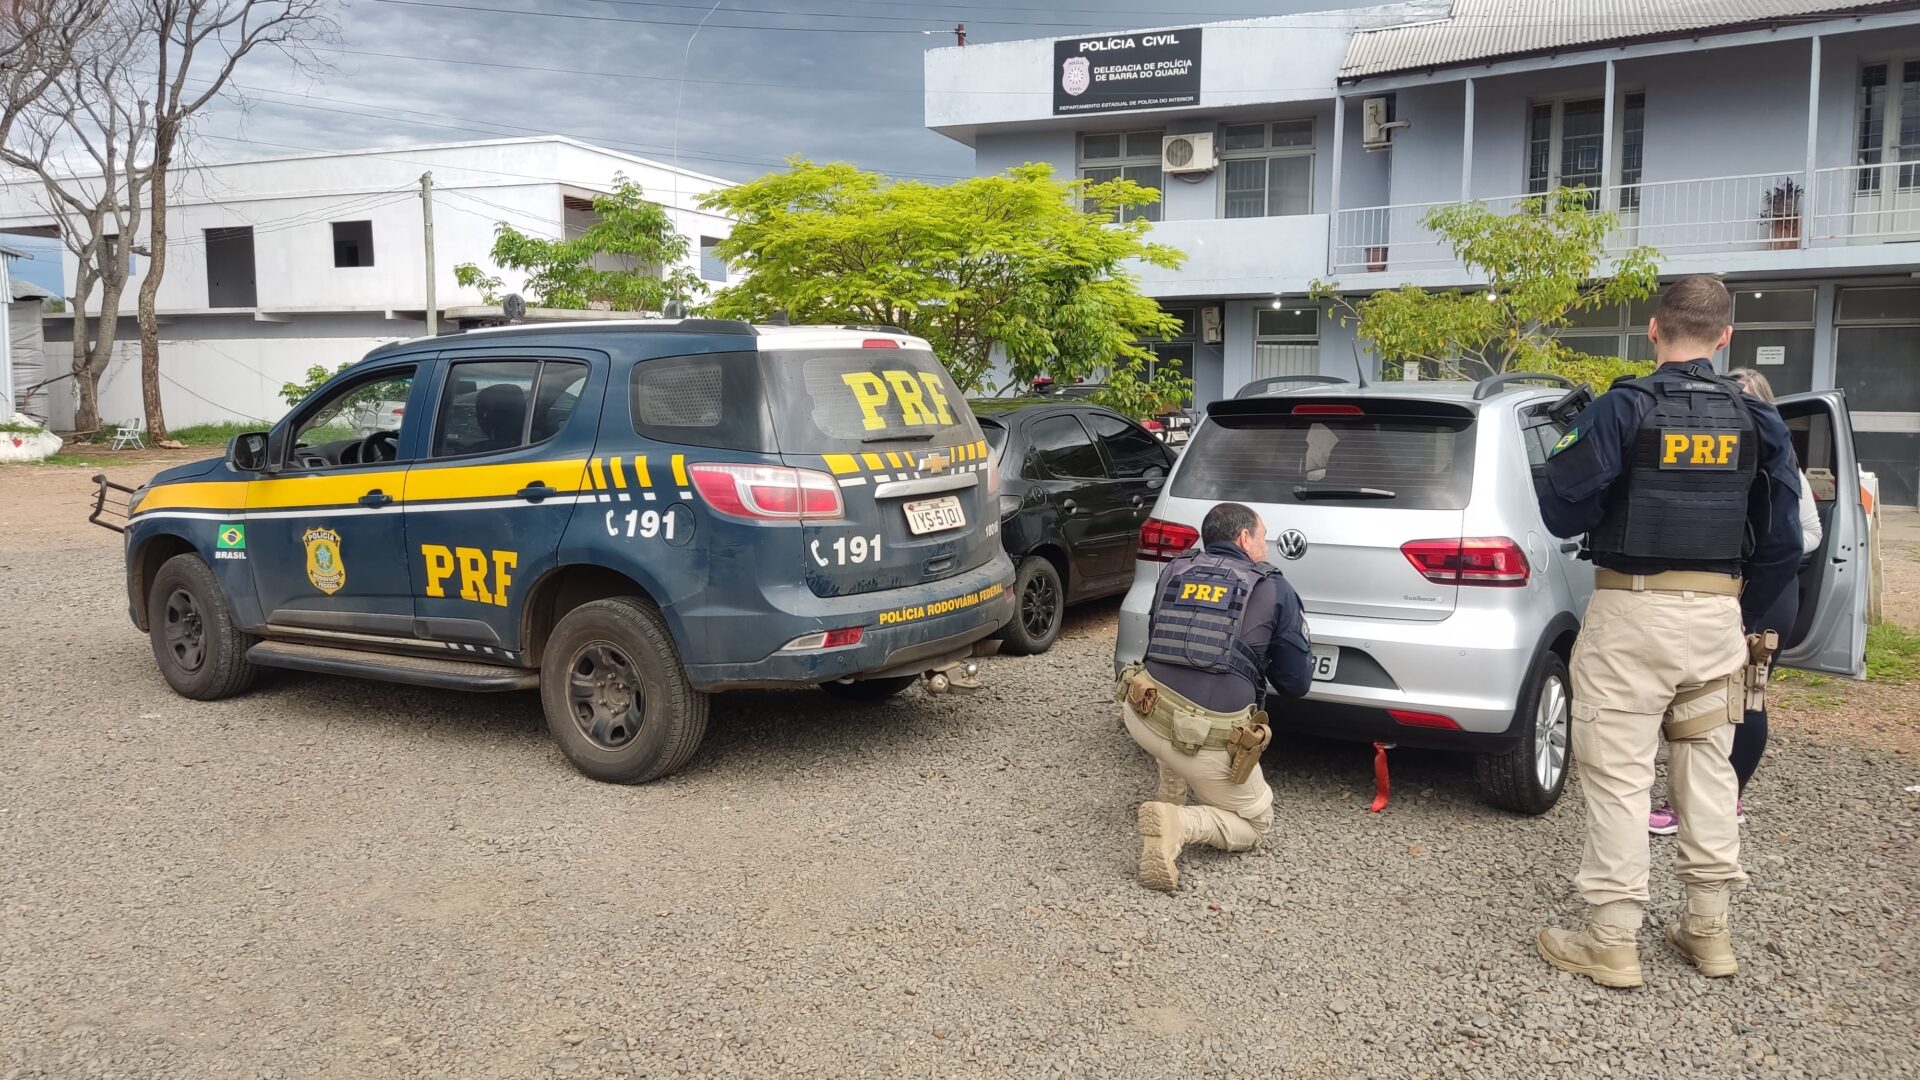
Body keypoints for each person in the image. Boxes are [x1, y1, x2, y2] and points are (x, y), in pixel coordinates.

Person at [1534, 275, 1802, 987]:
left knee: (1620, 775)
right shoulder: (1757, 419)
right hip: (1719, 616)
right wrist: (1744, 614)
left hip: (1631, 613)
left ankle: (1613, 940)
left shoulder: (1625, 407)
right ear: (1725, 337)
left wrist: (1567, 441)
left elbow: (1561, 513)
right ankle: (1708, 933)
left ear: (1652, 331)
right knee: (1707, 771)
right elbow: (1783, 539)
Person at [1648, 367, 1822, 836]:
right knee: (1700, 698)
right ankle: (1690, 796)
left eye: (1746, 399)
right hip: (1717, 589)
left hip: (1765, 591)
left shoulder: (1780, 460)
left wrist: (1754, 555)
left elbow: (1809, 534)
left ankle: (1725, 799)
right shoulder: (1717, 454)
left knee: (1746, 698)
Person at [1118, 502, 1313, 891]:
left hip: (1141, 715)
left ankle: (1172, 787)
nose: (1266, 547)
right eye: (1263, 538)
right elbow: (1295, 683)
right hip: (1203, 741)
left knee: (1179, 688)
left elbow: (1161, 639)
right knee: (1255, 823)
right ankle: (1179, 823)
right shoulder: (1274, 587)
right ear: (1244, 539)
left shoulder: (1176, 568)